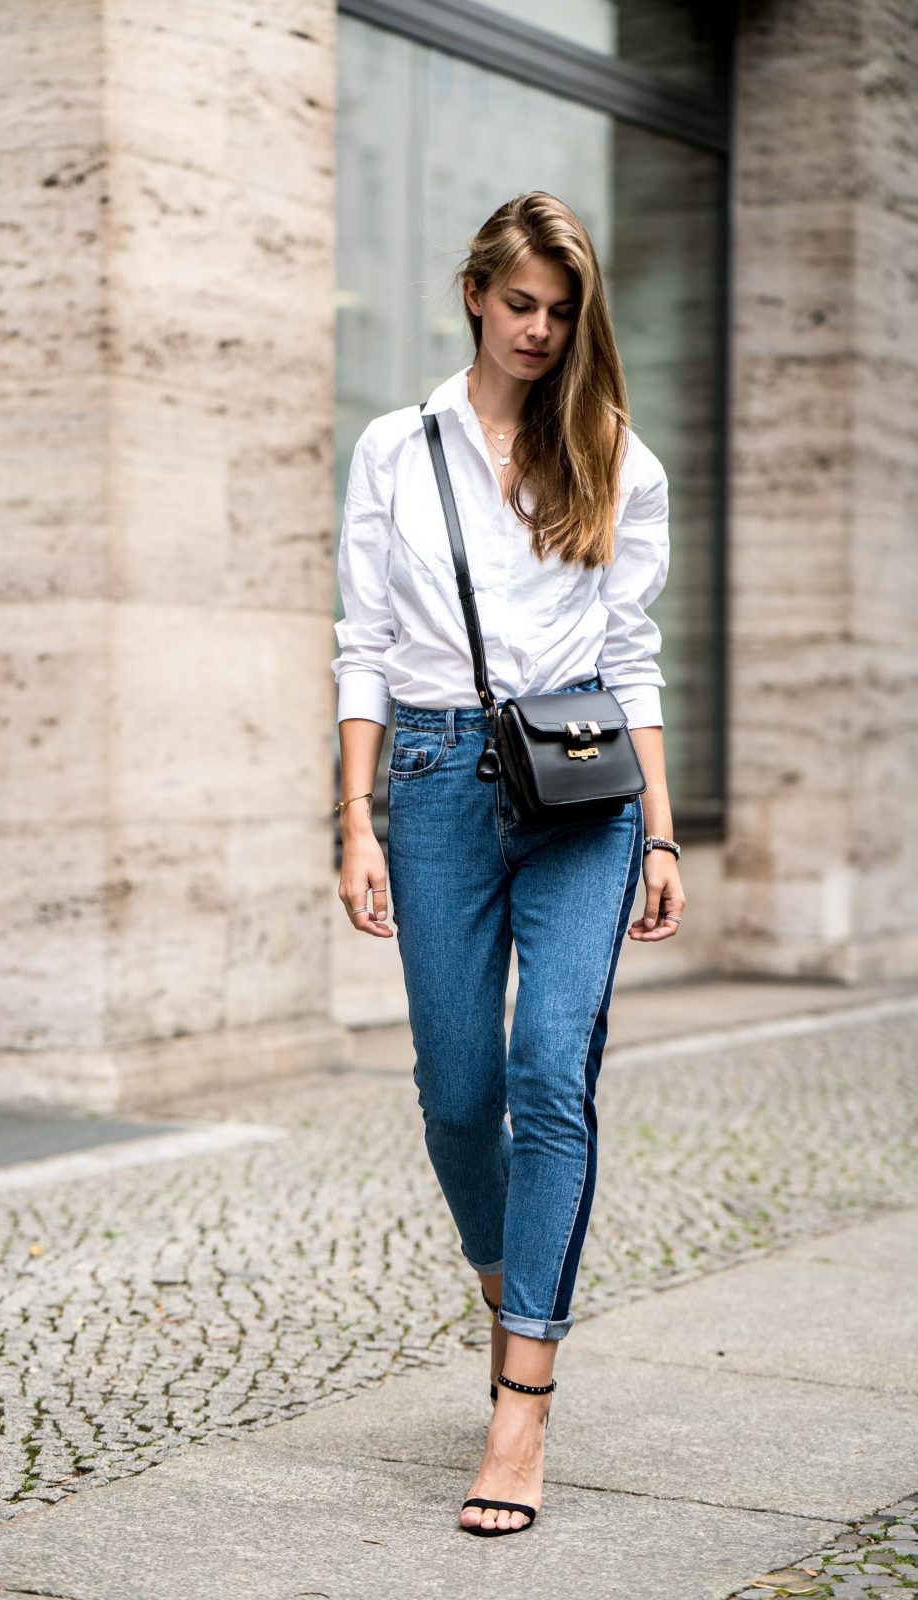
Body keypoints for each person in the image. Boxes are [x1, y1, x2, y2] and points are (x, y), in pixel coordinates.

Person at [330, 191, 686, 1537]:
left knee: (550, 1073)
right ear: (475, 292)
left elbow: (634, 654)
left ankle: (520, 1402)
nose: (539, 331)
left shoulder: (617, 460)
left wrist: (659, 827)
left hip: (583, 795)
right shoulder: (394, 450)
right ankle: (505, 1277)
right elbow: (361, 640)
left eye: (562, 311)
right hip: (425, 785)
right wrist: (355, 817)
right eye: (520, 303)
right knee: (455, 1090)